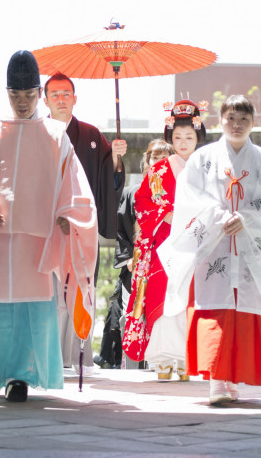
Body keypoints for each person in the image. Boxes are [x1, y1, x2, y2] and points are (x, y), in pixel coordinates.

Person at [0, 51, 98, 402]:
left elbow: (73, 186)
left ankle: (21, 377)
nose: (23, 103)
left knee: (32, 312)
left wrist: (66, 214)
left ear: (38, 94)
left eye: (29, 96)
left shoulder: (55, 135)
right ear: (7, 92)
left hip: (36, 241)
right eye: (16, 97)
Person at [159, 94, 261, 404]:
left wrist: (247, 217)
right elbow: (191, 198)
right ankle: (216, 382)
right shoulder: (202, 159)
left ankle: (235, 380)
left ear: (253, 122)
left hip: (251, 246)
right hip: (215, 244)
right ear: (221, 121)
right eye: (231, 119)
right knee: (215, 308)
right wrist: (219, 216)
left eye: (244, 119)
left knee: (246, 310)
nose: (237, 125)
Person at [43, 72, 127, 375]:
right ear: (45, 99)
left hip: (80, 229)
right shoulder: (37, 133)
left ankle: (78, 355)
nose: (62, 99)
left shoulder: (91, 136)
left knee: (80, 289)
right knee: (49, 292)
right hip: (47, 227)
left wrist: (116, 160)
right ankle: (50, 356)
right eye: (55, 94)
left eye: (67, 94)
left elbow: (109, 181)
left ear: (75, 99)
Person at [123, 100, 206, 381]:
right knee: (162, 297)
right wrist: (164, 214)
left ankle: (186, 357)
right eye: (178, 137)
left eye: (189, 137)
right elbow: (141, 200)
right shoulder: (158, 171)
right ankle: (163, 359)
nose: (183, 143)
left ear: (198, 138)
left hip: (194, 245)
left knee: (187, 300)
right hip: (163, 246)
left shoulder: (205, 169)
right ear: (170, 138)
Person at [94, 138, 173, 370]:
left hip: (163, 261)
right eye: (154, 157)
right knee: (124, 311)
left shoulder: (175, 192)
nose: (158, 162)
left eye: (164, 157)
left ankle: (162, 360)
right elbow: (121, 228)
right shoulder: (132, 193)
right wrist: (128, 257)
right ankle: (119, 360)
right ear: (146, 162)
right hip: (136, 262)